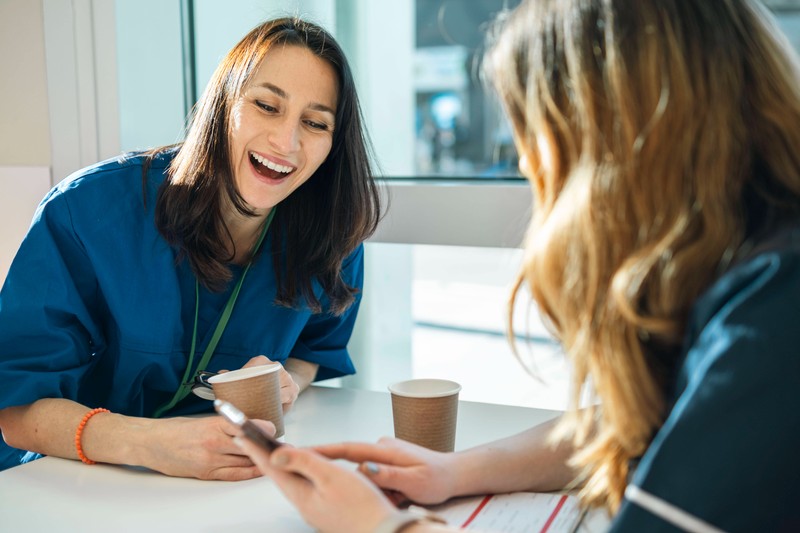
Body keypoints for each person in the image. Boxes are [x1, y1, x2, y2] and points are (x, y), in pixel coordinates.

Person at [232, 1, 800, 531]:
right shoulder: (757, 263)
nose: (529, 165)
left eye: (539, 135)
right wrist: (455, 471)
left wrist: (385, 525)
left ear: (625, 139)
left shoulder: (774, 318)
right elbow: (657, 422)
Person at [0, 17, 381, 479]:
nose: (287, 142)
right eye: (265, 105)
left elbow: (313, 351)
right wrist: (151, 444)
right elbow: (15, 412)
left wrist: (287, 382)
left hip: (215, 487)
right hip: (61, 479)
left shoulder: (332, 234)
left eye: (315, 122)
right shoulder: (87, 211)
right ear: (223, 105)